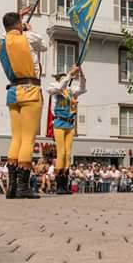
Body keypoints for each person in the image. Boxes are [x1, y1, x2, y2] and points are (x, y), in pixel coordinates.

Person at [0, 9, 47, 199]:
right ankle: (23, 186)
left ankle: (12, 187)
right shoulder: (28, 37)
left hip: (12, 92)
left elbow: (4, 35)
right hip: (30, 90)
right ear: (18, 24)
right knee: (27, 139)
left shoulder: (1, 43)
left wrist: (18, 21)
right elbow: (44, 46)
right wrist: (26, 28)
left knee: (16, 138)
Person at [48, 65, 86, 195]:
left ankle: (65, 185)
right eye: (62, 78)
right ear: (59, 79)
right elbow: (60, 87)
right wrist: (70, 74)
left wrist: (80, 72)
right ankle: (59, 184)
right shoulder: (54, 88)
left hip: (70, 124)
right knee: (61, 152)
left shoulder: (71, 91)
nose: (66, 79)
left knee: (68, 154)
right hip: (59, 122)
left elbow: (83, 87)